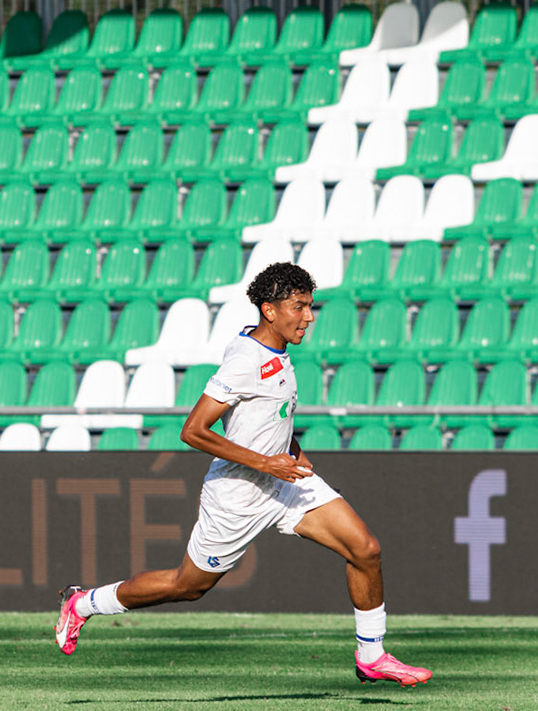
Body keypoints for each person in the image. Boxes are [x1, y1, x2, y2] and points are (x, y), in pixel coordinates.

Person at [52, 262, 432, 687]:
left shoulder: (275, 349)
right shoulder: (246, 360)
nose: (309, 317)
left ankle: (372, 656)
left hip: (284, 481)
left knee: (365, 549)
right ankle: (83, 604)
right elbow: (193, 431)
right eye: (299, 307)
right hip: (238, 493)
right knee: (188, 586)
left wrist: (296, 456)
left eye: (310, 306)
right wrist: (266, 462)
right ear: (269, 310)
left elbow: (271, 415)